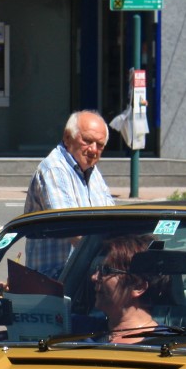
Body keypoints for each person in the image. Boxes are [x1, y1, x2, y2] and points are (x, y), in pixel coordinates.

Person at [22, 111, 116, 275]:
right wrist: (111, 254)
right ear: (67, 137)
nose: (93, 150)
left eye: (99, 145)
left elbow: (112, 220)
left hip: (84, 274)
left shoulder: (93, 173)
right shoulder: (54, 169)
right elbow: (70, 227)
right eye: (87, 141)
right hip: (53, 280)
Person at [92, 235, 169, 343]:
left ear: (138, 287)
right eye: (98, 269)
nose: (94, 277)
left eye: (105, 271)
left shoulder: (166, 348)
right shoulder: (78, 329)